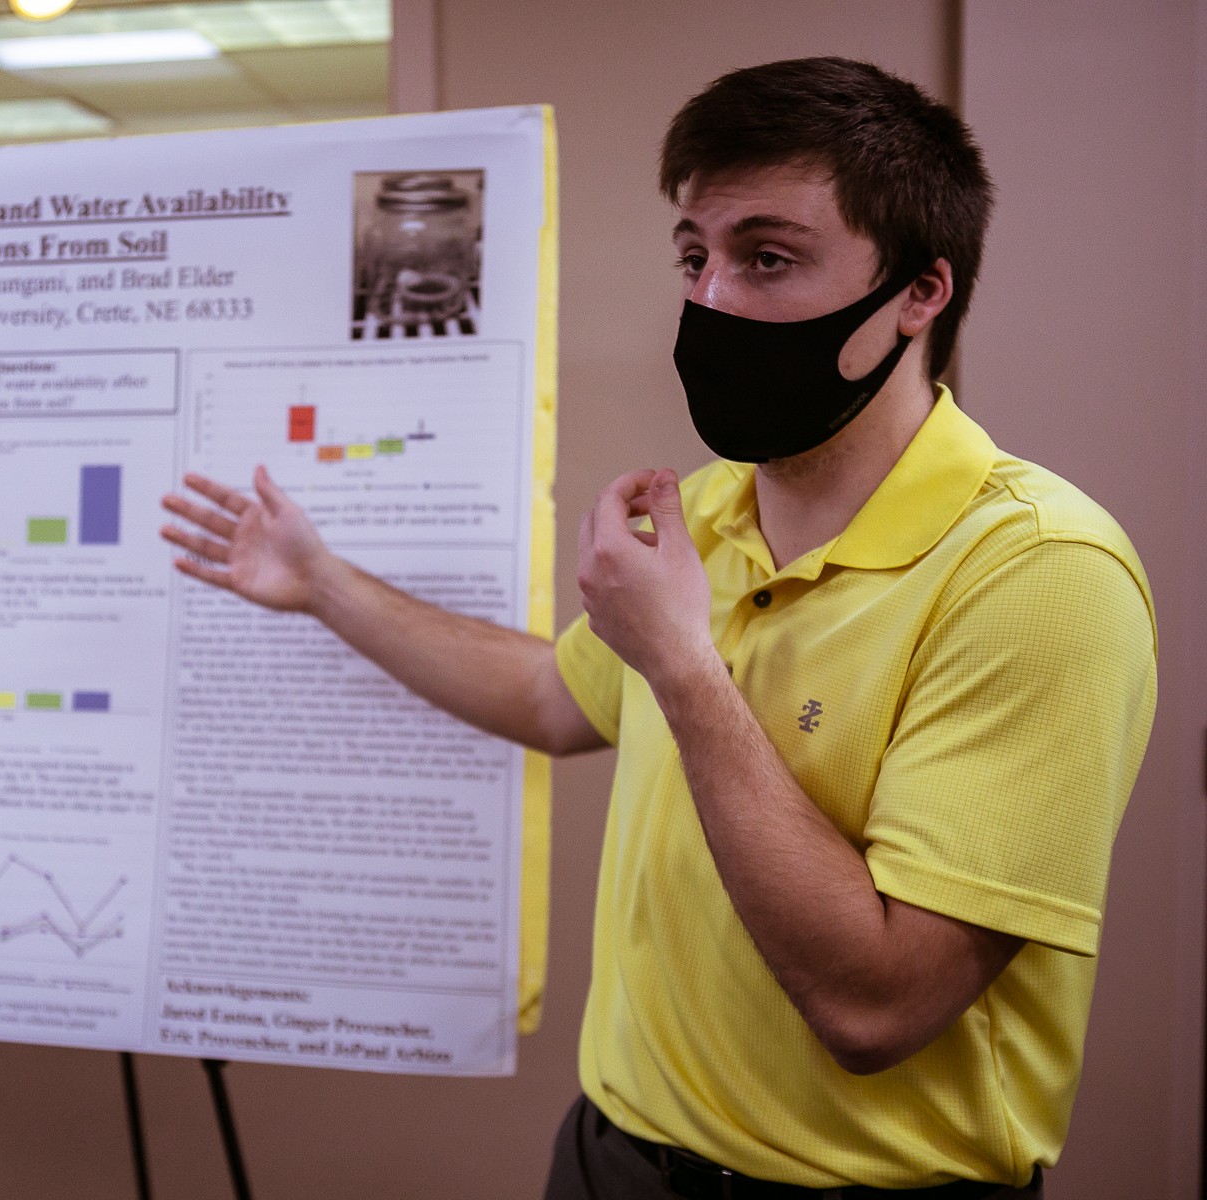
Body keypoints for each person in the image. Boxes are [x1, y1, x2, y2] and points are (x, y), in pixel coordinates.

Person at [160, 57, 1156, 1199]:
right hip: (610, 1159)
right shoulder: (710, 512)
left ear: (920, 293)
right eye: (696, 256)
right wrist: (321, 581)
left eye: (768, 258)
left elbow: (877, 1004)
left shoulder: (1038, 573)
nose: (714, 299)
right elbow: (547, 698)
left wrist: (681, 659)